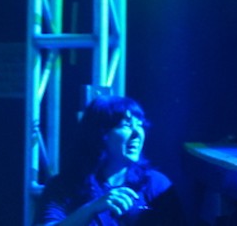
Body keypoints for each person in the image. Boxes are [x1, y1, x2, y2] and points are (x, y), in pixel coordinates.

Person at [35, 94, 185, 225]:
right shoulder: (64, 186)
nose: (137, 133)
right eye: (126, 125)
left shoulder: (156, 185)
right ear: (100, 134)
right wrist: (91, 209)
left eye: (140, 125)